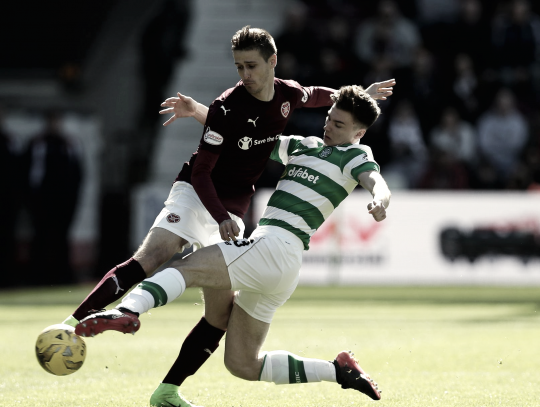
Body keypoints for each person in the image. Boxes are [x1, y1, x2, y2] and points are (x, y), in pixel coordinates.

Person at [61, 26, 394, 405]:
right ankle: (339, 370)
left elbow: (374, 179)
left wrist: (381, 199)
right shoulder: (302, 146)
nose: (328, 126)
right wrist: (199, 112)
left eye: (338, 124)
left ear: (360, 133)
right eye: (329, 118)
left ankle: (126, 311)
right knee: (242, 364)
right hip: (276, 264)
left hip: (276, 247)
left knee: (184, 268)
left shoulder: (356, 156)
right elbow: (242, 139)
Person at [23, 110, 82, 285]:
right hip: (42, 200)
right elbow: (29, 173)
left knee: (62, 238)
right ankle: (38, 276)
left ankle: (62, 276)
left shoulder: (70, 144)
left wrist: (72, 198)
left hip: (64, 201)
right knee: (40, 237)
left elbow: (78, 174)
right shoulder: (37, 144)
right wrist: (32, 199)